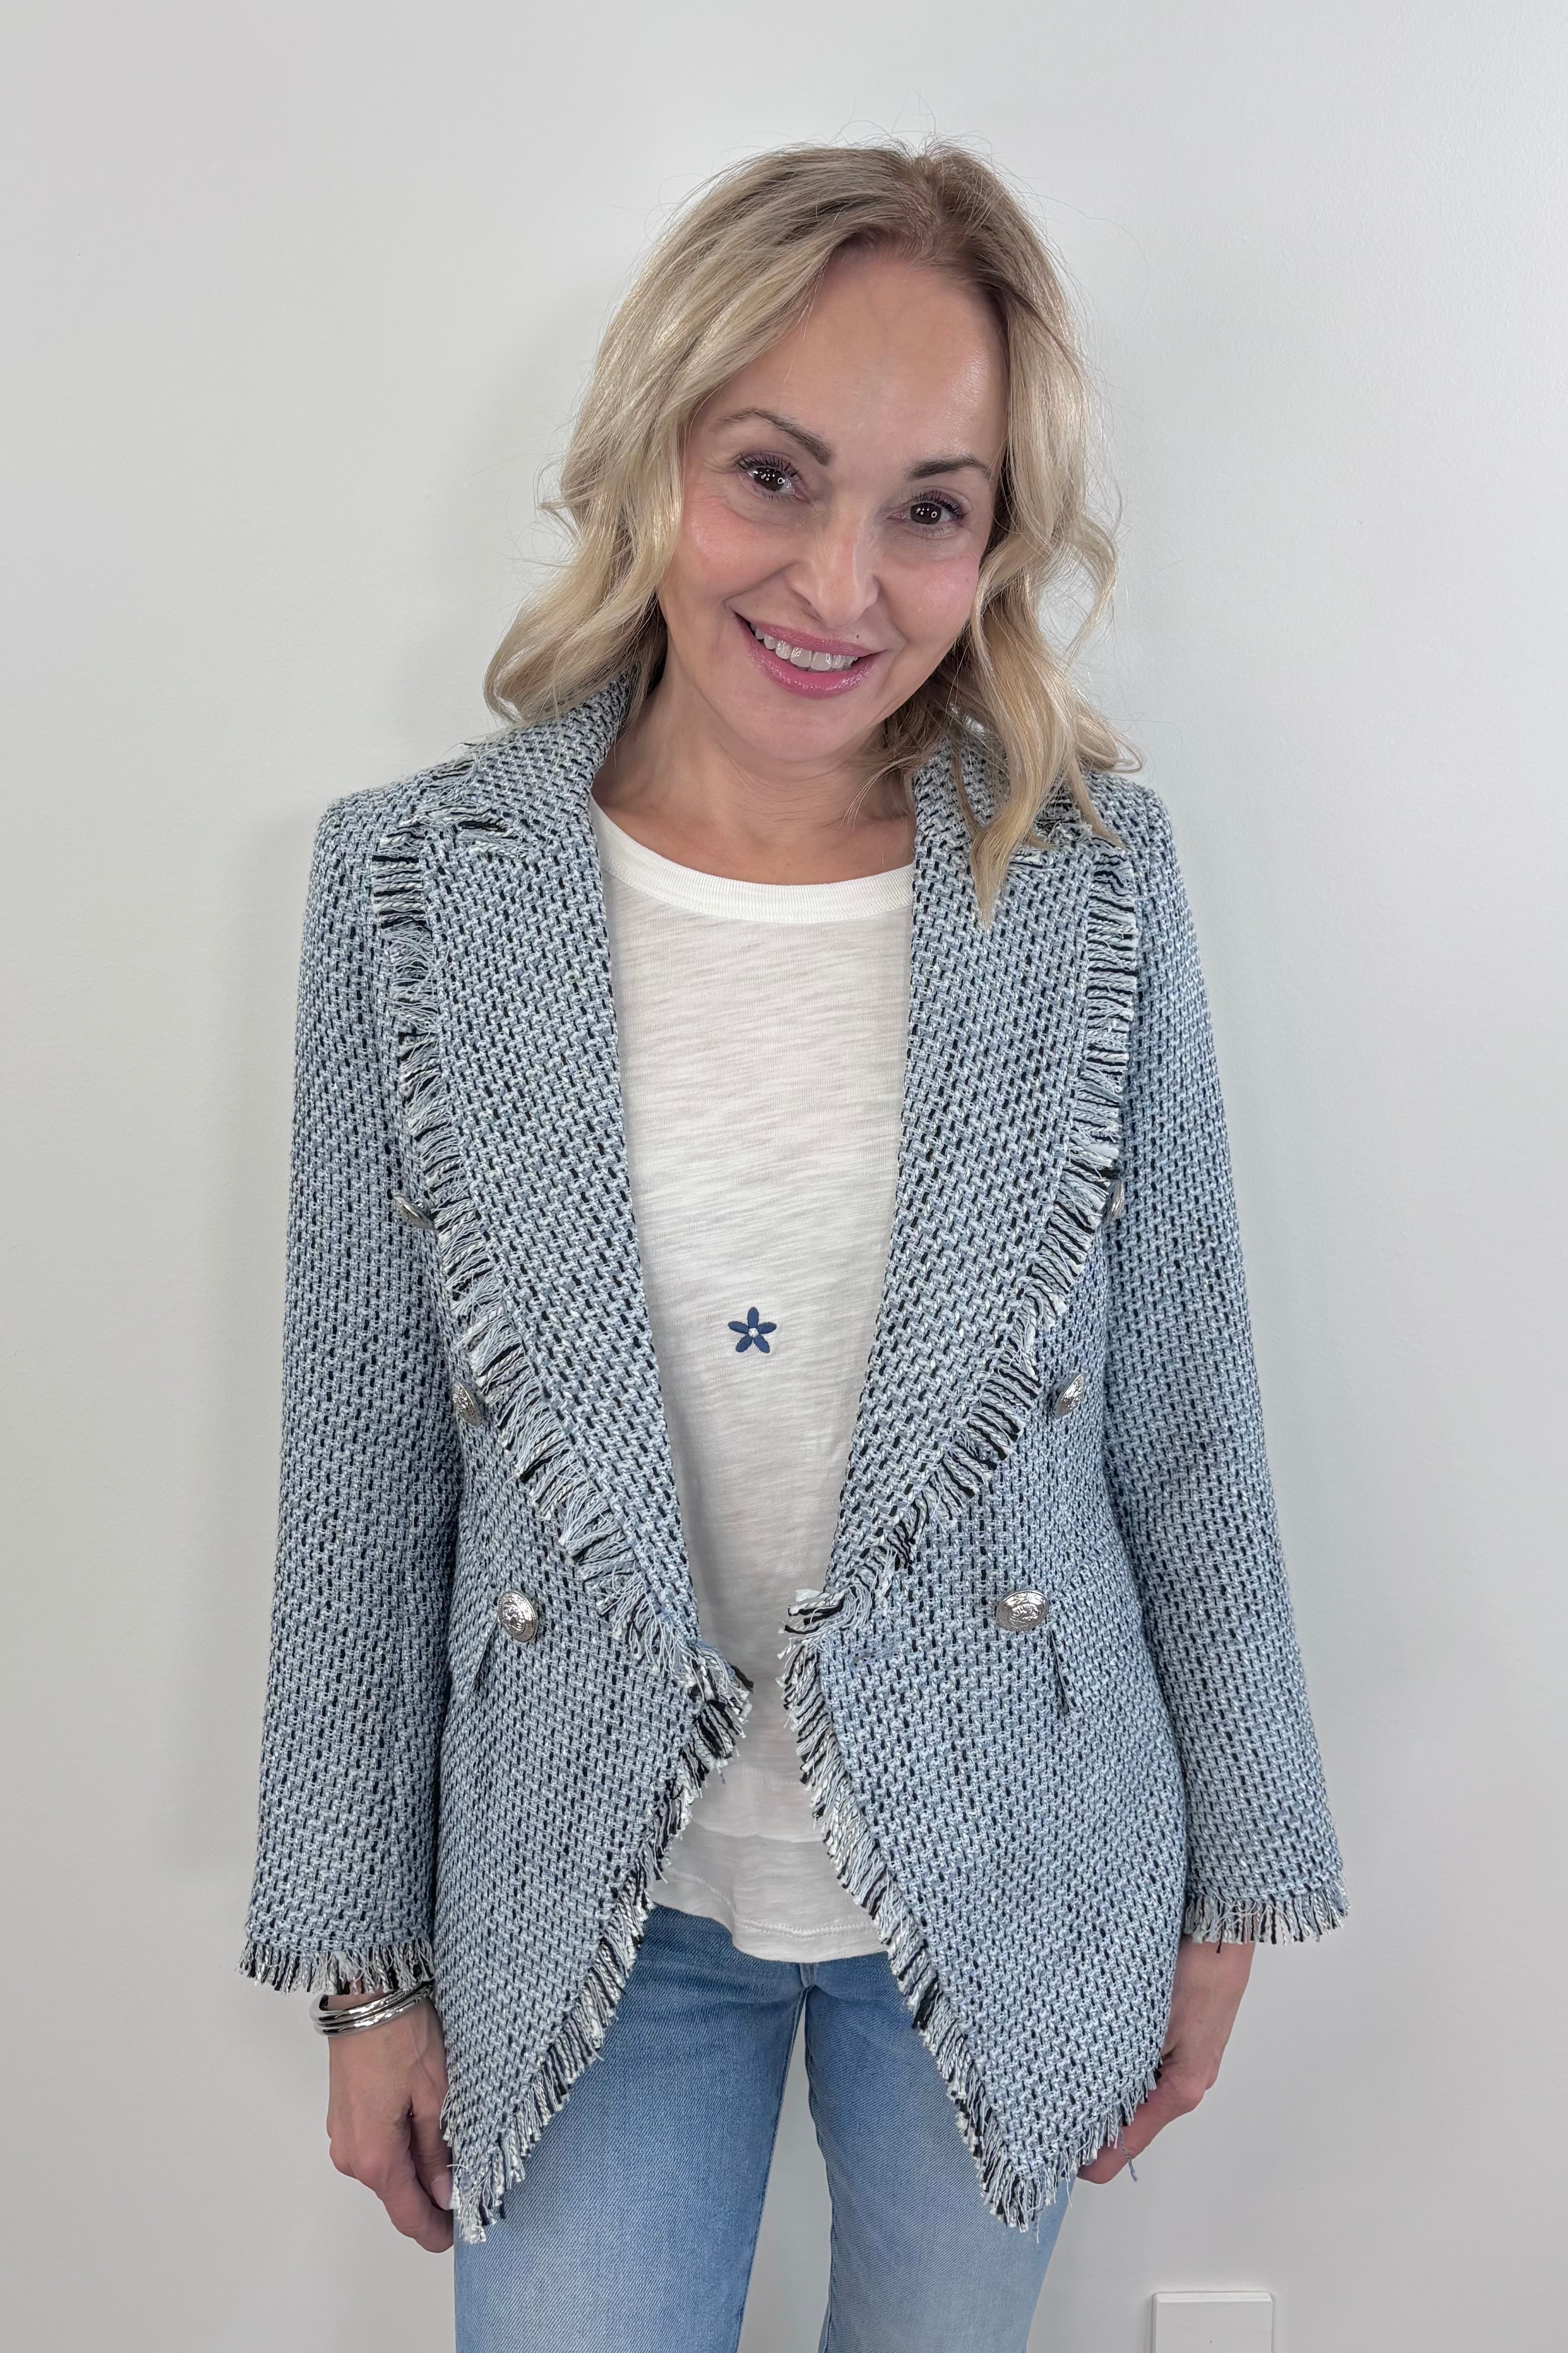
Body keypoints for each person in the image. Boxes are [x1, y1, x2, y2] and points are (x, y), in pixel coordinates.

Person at [243, 141, 1345, 2353]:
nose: (839, 576)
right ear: (653, 456)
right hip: (582, 1896)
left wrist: (1234, 1877)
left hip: (1013, 1858)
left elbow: (1187, 1417)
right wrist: (360, 1965)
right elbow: (368, 1479)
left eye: (930, 505)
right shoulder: (421, 887)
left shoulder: (1087, 886)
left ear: (995, 543)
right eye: (772, 472)